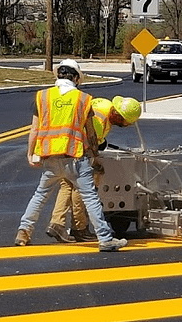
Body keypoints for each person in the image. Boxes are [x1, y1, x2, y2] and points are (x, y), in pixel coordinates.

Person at [15, 59, 128, 251]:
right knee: (90, 197)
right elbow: (91, 134)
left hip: (50, 158)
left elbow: (34, 129)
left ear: (58, 75)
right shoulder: (83, 99)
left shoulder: (42, 97)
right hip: (75, 158)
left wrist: (30, 153)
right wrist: (95, 157)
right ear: (76, 78)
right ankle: (105, 238)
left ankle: (23, 232)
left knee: (40, 195)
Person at [45, 95, 142, 243]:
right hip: (77, 149)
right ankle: (80, 229)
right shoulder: (99, 120)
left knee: (66, 184)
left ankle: (56, 224)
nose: (126, 125)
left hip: (63, 144)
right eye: (126, 122)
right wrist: (96, 163)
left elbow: (99, 140)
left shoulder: (104, 104)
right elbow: (90, 143)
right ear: (118, 116)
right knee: (82, 187)